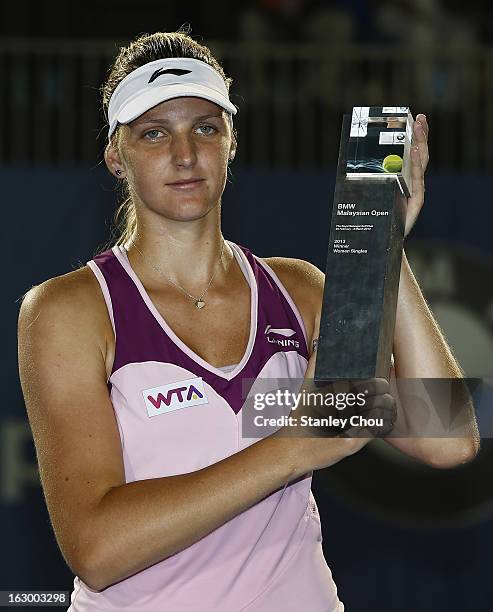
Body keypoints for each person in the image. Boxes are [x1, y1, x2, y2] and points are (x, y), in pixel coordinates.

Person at [17, 28, 479, 612]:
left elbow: (449, 438)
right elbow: (97, 548)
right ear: (117, 154)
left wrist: (385, 242)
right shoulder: (69, 311)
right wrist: (293, 447)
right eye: (154, 134)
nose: (184, 156)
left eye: (205, 129)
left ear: (231, 140)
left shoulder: (298, 290)